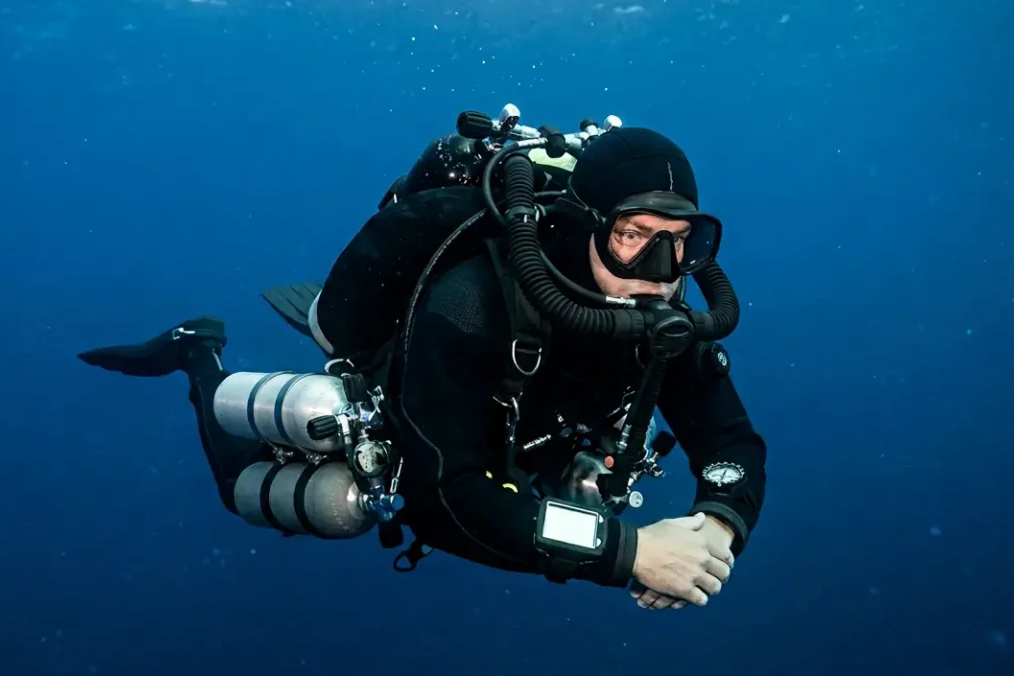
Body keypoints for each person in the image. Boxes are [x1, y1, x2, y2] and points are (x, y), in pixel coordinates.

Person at [77, 122, 766, 610]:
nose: (660, 268)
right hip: (427, 434)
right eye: (633, 235)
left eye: (681, 241)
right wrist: (628, 553)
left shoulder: (667, 316)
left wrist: (716, 526)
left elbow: (730, 441)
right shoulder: (474, 303)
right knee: (250, 492)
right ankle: (199, 352)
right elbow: (442, 499)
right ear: (588, 224)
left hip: (530, 443)